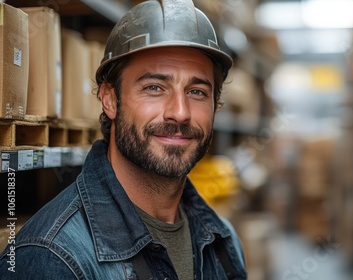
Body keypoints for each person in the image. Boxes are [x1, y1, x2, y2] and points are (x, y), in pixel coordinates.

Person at [0, 0, 247, 279]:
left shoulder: (223, 243)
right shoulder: (53, 257)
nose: (180, 113)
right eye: (154, 87)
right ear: (110, 99)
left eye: (197, 92)